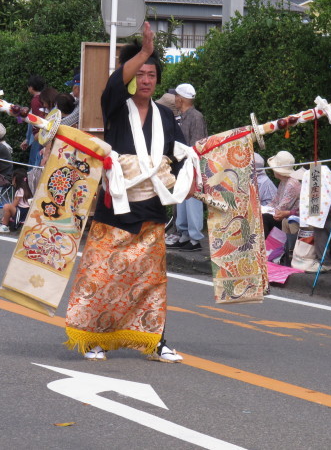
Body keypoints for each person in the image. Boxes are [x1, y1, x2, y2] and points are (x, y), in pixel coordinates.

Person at [65, 22, 191, 363]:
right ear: (131, 75)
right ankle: (94, 338)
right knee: (103, 277)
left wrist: (189, 183)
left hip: (151, 207)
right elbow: (113, 84)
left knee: (150, 281)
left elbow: (179, 155)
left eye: (152, 73)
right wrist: (145, 51)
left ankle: (154, 340)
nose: (147, 79)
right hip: (117, 207)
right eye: (142, 72)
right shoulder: (117, 108)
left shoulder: (167, 115)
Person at [167, 83, 208, 251]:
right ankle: (184, 235)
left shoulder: (196, 117)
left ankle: (195, 239)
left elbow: (197, 145)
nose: (174, 100)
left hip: (191, 164)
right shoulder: (182, 115)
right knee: (182, 200)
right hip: (181, 164)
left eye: (176, 96)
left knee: (192, 201)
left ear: (180, 99)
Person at [262, 151, 303, 239]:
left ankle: (264, 247)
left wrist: (265, 210)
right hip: (283, 215)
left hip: (288, 218)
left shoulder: (291, 184)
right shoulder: (284, 181)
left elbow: (282, 208)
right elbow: (275, 201)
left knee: (264, 219)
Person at [0, 169, 32, 233]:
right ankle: (2, 223)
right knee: (8, 208)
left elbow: (14, 204)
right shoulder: (26, 189)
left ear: (16, 179)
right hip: (23, 211)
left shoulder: (20, 190)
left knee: (7, 207)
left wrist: (8, 209)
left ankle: (5, 225)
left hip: (22, 212)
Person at [20, 75, 45, 167]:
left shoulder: (35, 100)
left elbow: (35, 121)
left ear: (31, 88)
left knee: (34, 163)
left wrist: (20, 117)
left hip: (38, 136)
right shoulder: (45, 98)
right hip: (43, 135)